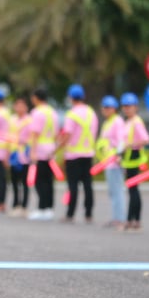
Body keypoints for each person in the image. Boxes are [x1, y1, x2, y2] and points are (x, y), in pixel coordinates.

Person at [57, 84, 98, 223]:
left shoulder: (71, 114)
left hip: (73, 155)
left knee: (72, 186)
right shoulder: (91, 113)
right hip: (88, 154)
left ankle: (70, 214)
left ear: (70, 97)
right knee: (87, 185)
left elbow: (67, 135)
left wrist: (57, 149)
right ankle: (88, 213)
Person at [119, 92, 149, 232]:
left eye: (129, 106)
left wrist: (130, 145)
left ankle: (132, 220)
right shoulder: (129, 121)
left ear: (135, 107)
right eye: (125, 106)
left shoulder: (136, 122)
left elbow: (145, 139)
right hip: (129, 159)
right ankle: (134, 220)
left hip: (134, 158)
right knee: (133, 190)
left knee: (133, 190)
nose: (127, 109)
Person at [27, 88, 59, 221]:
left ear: (36, 98)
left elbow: (35, 133)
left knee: (40, 181)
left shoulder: (37, 112)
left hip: (40, 149)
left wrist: (33, 152)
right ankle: (49, 208)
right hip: (50, 148)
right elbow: (56, 132)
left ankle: (41, 208)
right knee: (49, 180)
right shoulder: (52, 112)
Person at [96, 96, 126, 228]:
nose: (106, 110)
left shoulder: (117, 121)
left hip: (115, 160)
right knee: (112, 191)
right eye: (105, 107)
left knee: (117, 190)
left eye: (109, 107)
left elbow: (121, 140)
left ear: (114, 108)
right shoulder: (108, 122)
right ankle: (116, 217)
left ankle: (119, 218)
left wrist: (119, 155)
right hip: (108, 161)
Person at [8, 96, 32, 217]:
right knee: (14, 181)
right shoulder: (11, 120)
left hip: (25, 154)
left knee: (25, 182)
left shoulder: (29, 120)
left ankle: (24, 206)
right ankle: (15, 204)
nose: (20, 108)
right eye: (18, 105)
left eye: (22, 105)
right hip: (14, 154)